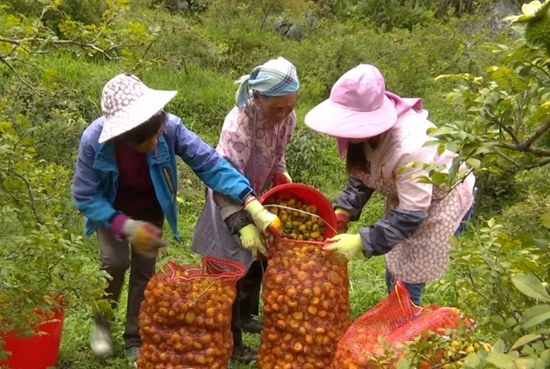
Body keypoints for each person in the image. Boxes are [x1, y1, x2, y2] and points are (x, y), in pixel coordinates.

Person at [72, 74, 281, 366]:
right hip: (112, 211)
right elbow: (85, 195)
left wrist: (249, 200)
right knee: (114, 263)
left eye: (159, 133)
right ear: (126, 137)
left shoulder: (171, 128)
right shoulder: (95, 141)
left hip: (149, 206)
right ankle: (102, 324)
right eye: (150, 140)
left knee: (145, 271)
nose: (159, 140)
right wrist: (126, 226)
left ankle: (135, 338)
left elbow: (209, 163)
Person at [304, 64, 476, 306]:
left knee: (410, 276)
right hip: (406, 201)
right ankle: (396, 315)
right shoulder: (364, 138)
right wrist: (345, 209)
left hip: (440, 202)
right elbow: (365, 173)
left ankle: (407, 334)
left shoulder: (411, 145)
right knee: (396, 268)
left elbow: (411, 215)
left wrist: (361, 241)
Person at [192, 56, 299, 362]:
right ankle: (232, 342)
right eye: (276, 107)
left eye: (290, 106)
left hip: (260, 199)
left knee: (256, 264)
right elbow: (223, 180)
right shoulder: (237, 124)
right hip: (229, 201)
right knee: (230, 273)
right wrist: (242, 222)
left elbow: (278, 155)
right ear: (256, 97)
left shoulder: (287, 117)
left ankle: (246, 315)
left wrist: (283, 180)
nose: (284, 114)